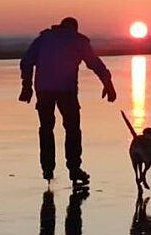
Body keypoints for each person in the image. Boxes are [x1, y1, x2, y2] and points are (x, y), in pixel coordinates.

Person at [19, 17, 116, 183]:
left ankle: (48, 169)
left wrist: (26, 86)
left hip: (44, 91)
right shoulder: (78, 40)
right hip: (67, 91)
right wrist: (108, 84)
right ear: (74, 28)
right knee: (72, 129)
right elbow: (95, 63)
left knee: (46, 129)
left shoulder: (44, 38)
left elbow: (26, 62)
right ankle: (74, 168)